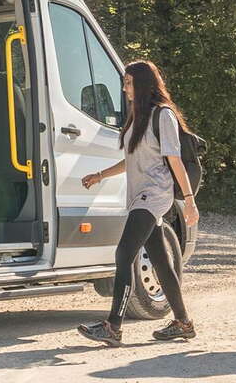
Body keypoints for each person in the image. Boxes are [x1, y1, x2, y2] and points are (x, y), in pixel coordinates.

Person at [75, 59, 199, 346]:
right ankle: (183, 322)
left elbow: (174, 159)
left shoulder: (162, 115)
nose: (125, 88)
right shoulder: (138, 117)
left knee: (124, 253)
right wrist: (100, 175)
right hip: (139, 196)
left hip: (153, 196)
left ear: (143, 84)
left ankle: (112, 326)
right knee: (161, 262)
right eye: (125, 82)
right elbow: (132, 158)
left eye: (129, 82)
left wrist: (190, 200)